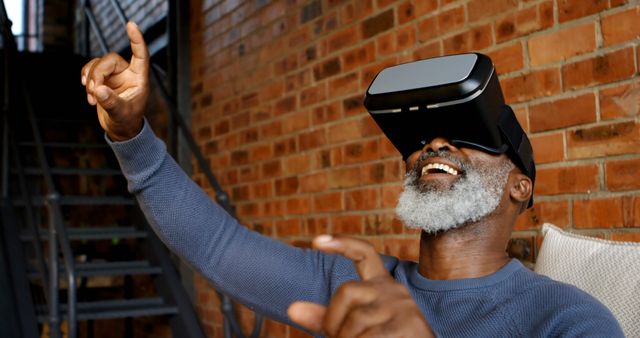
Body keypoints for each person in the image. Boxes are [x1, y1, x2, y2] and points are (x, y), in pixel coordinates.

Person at [81, 22, 623, 337]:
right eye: (424, 137)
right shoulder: (356, 285)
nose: (436, 144)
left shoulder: (569, 318)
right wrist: (132, 137)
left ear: (519, 186)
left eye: (466, 135)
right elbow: (217, 246)